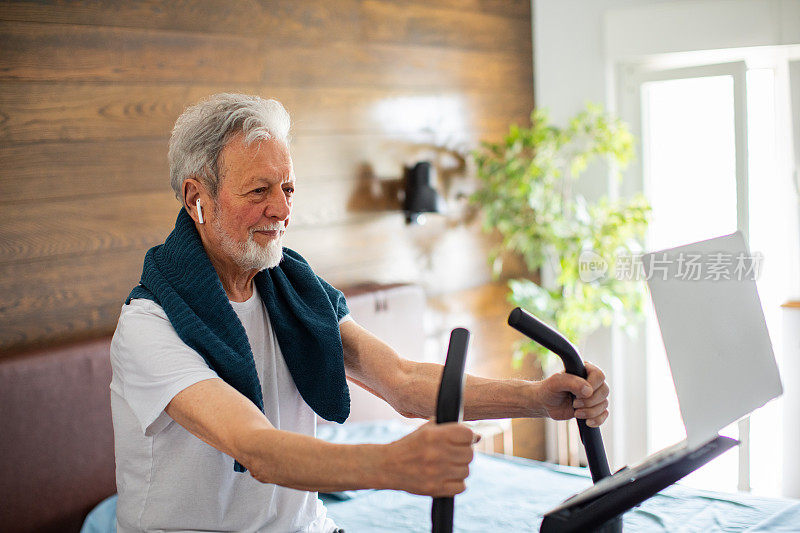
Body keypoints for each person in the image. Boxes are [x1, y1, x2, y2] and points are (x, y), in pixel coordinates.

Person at [109, 93, 610, 533]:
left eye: (287, 190)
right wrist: (391, 465)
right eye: (258, 191)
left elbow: (401, 378)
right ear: (197, 198)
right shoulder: (150, 326)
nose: (282, 211)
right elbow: (254, 447)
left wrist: (539, 399)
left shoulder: (296, 293)